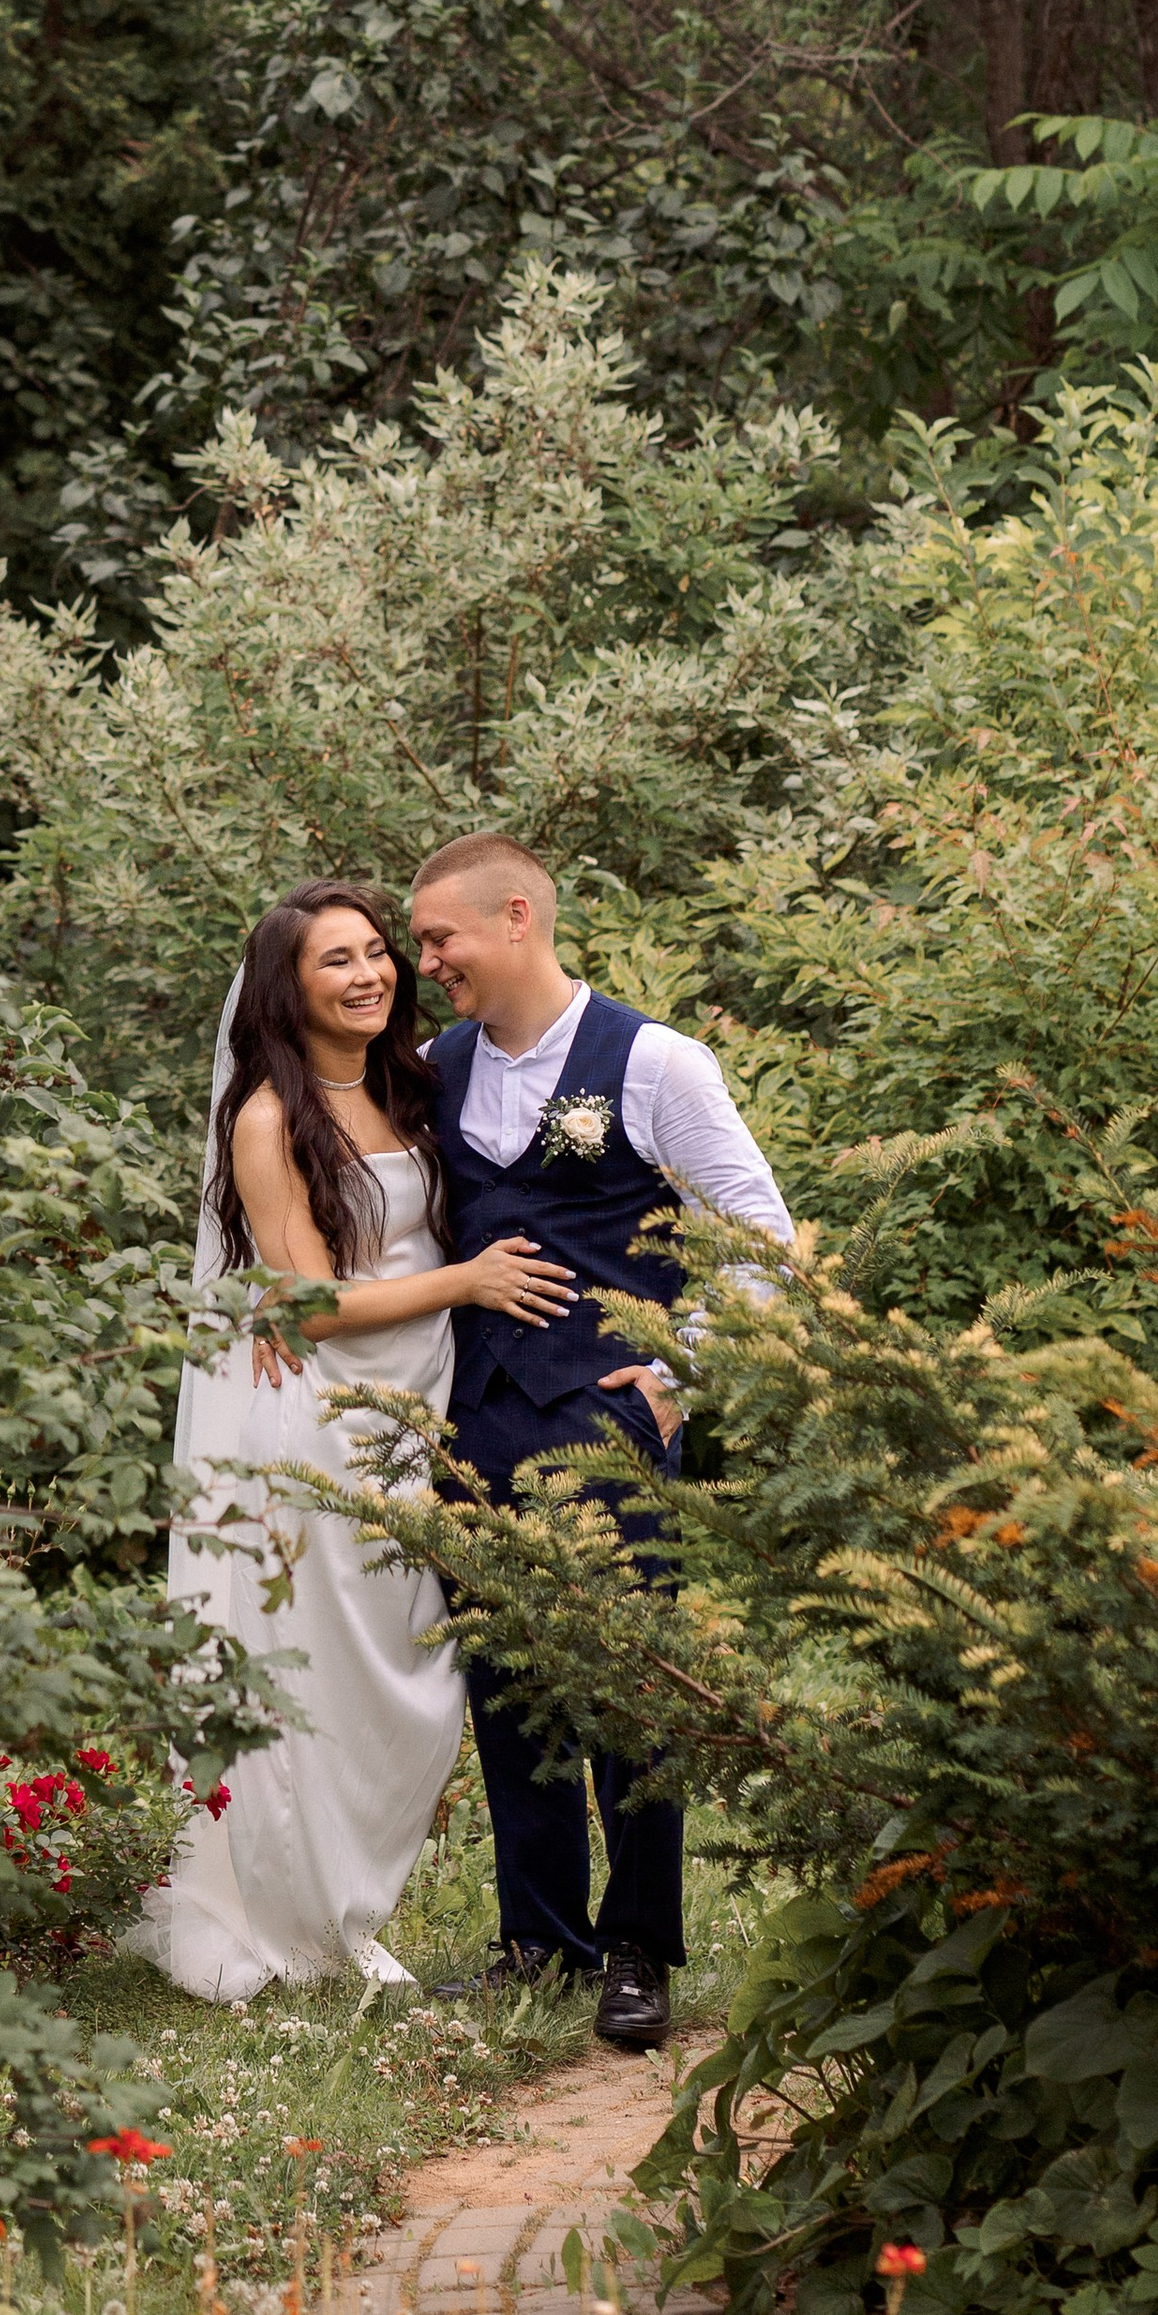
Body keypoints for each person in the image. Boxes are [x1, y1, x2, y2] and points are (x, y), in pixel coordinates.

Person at [125, 878, 579, 2000]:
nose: (371, 973)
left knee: (407, 1677)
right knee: (318, 1678)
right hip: (321, 1421)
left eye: (379, 952)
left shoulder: (406, 1088)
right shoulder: (271, 1119)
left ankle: (355, 1900)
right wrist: (465, 1283)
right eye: (339, 960)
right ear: (289, 984)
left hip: (417, 1414)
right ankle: (301, 1923)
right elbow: (306, 1305)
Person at [409, 829, 793, 2053]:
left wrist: (680, 1373)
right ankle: (538, 1941)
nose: (428, 963)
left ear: (516, 916)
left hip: (607, 1416)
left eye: (440, 938)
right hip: (474, 1418)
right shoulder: (432, 1068)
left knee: (630, 1683)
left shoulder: (655, 1062)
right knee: (507, 1681)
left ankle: (637, 1946)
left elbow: (761, 1234)